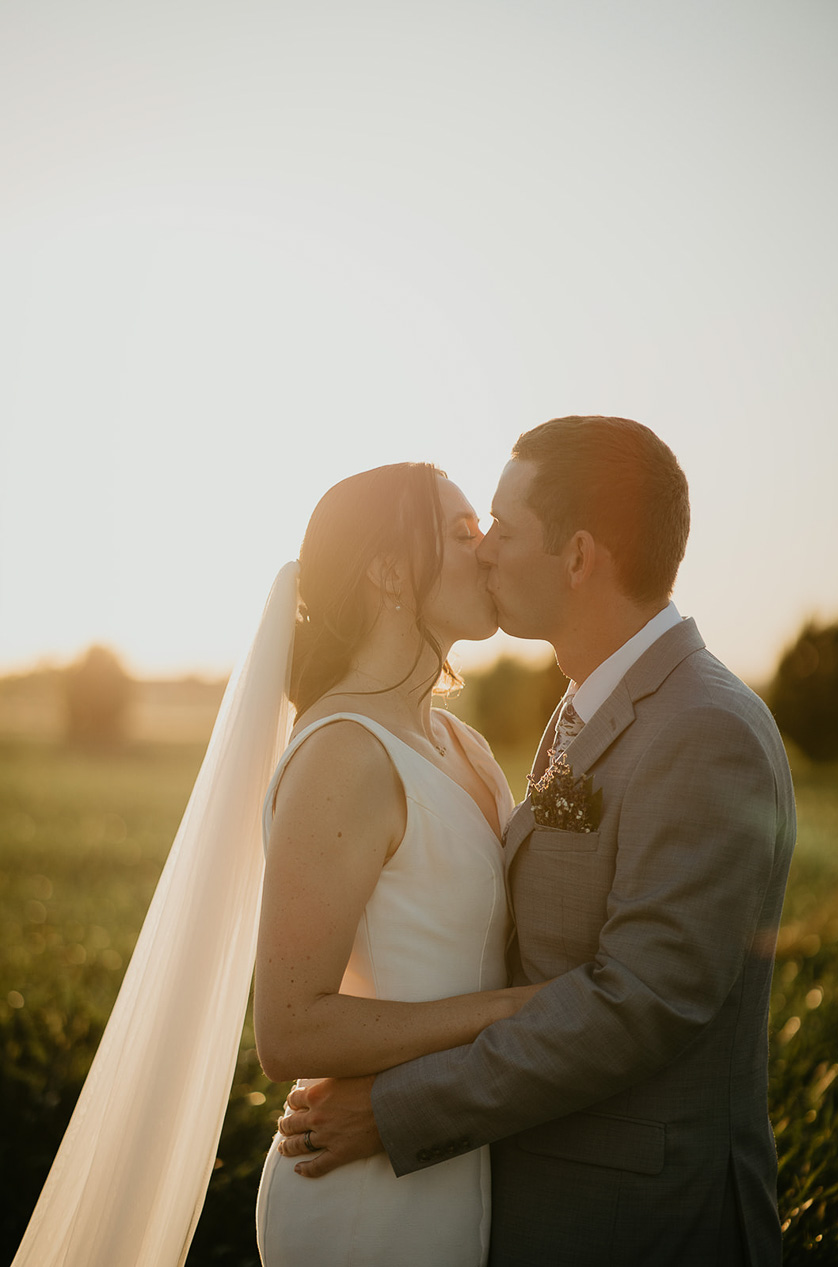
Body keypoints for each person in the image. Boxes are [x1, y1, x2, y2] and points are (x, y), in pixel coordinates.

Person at [278, 417, 797, 1267]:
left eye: (501, 529)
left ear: (579, 555)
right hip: (509, 1197)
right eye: (467, 530)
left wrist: (395, 1106)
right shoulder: (583, 706)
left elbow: (640, 1004)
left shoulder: (704, 727)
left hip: (646, 1221)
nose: (484, 551)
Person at [254, 462, 546, 1266]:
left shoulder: (462, 745)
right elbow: (289, 1027)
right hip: (361, 1202)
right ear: (387, 571)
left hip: (451, 1162)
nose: (486, 549)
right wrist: (507, 1012)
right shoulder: (343, 752)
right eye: (459, 532)